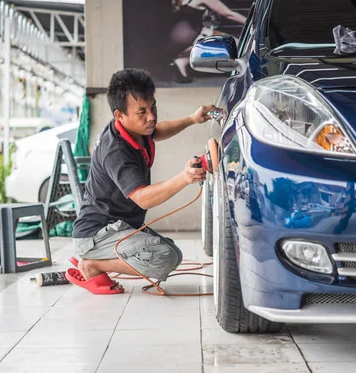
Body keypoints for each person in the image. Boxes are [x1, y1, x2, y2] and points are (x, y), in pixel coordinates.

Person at [71, 68, 222, 290]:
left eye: (153, 107)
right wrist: (184, 177)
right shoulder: (116, 152)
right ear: (119, 115)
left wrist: (193, 118)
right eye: (142, 112)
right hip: (96, 235)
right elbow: (143, 198)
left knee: (173, 254)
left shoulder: (132, 130)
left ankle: (97, 262)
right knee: (164, 259)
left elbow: (156, 130)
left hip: (121, 227)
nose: (151, 116)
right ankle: (93, 264)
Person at [169, 0, 247, 83]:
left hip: (175, 38)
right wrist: (251, 22)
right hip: (192, 35)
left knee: (207, 32)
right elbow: (229, 15)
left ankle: (183, 60)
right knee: (239, 46)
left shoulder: (177, 1)